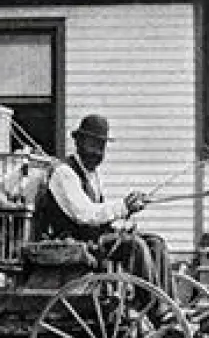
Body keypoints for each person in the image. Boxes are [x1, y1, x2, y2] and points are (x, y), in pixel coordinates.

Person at [38, 114, 171, 296]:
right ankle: (152, 307)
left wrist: (125, 217)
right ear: (78, 142)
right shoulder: (64, 173)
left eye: (101, 147)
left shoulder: (93, 175)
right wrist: (123, 206)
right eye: (92, 145)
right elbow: (85, 214)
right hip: (76, 243)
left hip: (97, 239)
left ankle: (168, 305)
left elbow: (100, 214)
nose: (97, 153)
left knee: (156, 243)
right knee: (135, 246)